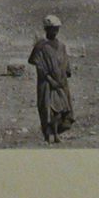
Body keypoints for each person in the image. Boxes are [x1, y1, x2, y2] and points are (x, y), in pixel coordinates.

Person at [27, 14, 74, 144]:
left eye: (57, 29)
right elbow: (38, 64)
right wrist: (49, 79)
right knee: (48, 109)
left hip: (60, 83)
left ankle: (57, 133)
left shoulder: (61, 46)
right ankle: (48, 135)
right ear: (47, 29)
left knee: (61, 109)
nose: (55, 31)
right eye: (53, 28)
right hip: (47, 84)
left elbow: (65, 61)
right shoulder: (41, 46)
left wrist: (66, 73)